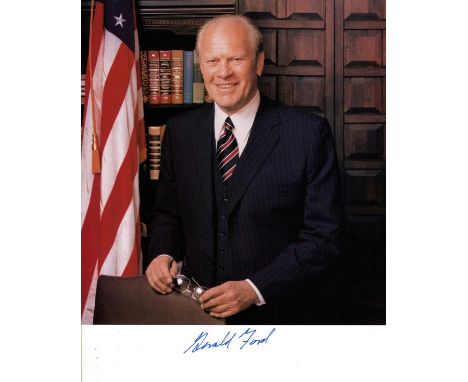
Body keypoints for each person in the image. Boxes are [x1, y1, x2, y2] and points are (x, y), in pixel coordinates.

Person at [145, 14, 342, 324]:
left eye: (236, 59)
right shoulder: (180, 132)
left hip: (278, 316)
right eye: (212, 61)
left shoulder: (307, 134)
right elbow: (167, 214)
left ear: (259, 63)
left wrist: (256, 289)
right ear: (201, 65)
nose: (223, 73)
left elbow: (324, 238)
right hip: (194, 318)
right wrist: (161, 253)